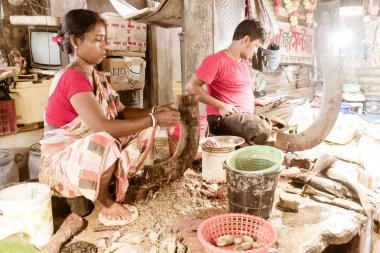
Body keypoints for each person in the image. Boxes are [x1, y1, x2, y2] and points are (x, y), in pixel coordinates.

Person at [39, 9, 180, 224]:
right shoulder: (72, 77)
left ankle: (111, 181)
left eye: (105, 39)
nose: (105, 45)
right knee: (103, 141)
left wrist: (155, 111)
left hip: (85, 149)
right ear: (76, 41)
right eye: (98, 40)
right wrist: (154, 119)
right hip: (62, 161)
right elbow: (102, 127)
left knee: (144, 128)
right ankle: (103, 200)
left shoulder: (96, 76)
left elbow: (121, 111)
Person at [185, 19, 293, 145]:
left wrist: (252, 101)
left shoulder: (245, 63)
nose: (255, 51)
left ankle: (259, 130)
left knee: (287, 107)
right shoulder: (216, 60)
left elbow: (239, 88)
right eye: (256, 46)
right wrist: (221, 105)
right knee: (255, 125)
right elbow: (190, 87)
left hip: (249, 114)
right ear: (246, 40)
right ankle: (262, 129)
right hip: (226, 118)